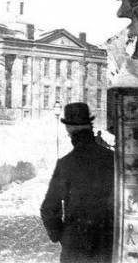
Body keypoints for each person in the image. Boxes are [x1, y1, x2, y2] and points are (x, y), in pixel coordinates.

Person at [40, 102, 114, 263]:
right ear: (90, 126)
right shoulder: (112, 160)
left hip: (75, 246)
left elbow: (49, 209)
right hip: (107, 244)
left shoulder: (66, 164)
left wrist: (61, 236)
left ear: (69, 129)